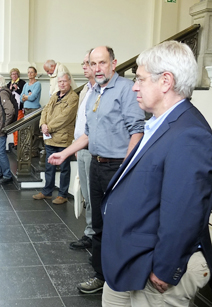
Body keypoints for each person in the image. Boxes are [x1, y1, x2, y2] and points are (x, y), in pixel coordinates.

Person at [100, 41, 212, 307]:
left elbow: (184, 211)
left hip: (157, 267)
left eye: (139, 79)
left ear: (165, 81)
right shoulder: (161, 123)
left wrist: (165, 268)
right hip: (132, 257)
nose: (134, 86)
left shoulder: (189, 134)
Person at [48, 46, 145, 294]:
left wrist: (126, 168)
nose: (97, 68)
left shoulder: (126, 89)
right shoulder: (93, 93)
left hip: (117, 167)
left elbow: (137, 130)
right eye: (93, 63)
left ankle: (124, 277)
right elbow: (88, 135)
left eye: (102, 62)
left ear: (114, 63)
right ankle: (101, 276)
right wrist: (65, 152)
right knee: (99, 224)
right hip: (97, 165)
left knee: (120, 224)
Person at [32, 72, 78, 205]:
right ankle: (47, 192)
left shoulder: (73, 98)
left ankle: (63, 195)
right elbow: (45, 111)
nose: (62, 84)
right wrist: (42, 125)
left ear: (69, 82)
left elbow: (65, 118)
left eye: (64, 81)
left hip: (63, 138)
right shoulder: (54, 96)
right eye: (60, 82)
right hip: (50, 138)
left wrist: (49, 127)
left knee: (64, 168)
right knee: (49, 166)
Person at [69, 51, 96, 250]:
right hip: (82, 146)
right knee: (86, 193)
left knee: (94, 195)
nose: (84, 66)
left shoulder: (103, 90)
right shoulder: (85, 89)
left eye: (88, 63)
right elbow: (80, 120)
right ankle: (90, 232)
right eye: (83, 63)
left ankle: (95, 234)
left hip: (94, 149)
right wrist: (75, 143)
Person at [20, 66, 42, 157]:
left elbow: (33, 98)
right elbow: (21, 99)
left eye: (32, 72)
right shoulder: (25, 85)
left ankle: (34, 150)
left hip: (34, 110)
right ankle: (27, 150)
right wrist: (27, 96)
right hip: (26, 110)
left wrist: (27, 97)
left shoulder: (38, 84)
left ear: (35, 74)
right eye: (28, 72)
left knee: (35, 131)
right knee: (27, 131)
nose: (30, 74)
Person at [7, 68, 26, 149]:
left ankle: (19, 143)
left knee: (19, 126)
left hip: (20, 108)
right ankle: (15, 143)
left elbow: (23, 94)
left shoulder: (22, 83)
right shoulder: (8, 84)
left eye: (15, 74)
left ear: (18, 75)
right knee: (14, 127)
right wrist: (10, 89)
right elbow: (7, 95)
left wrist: (17, 88)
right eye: (12, 74)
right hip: (12, 108)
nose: (14, 76)